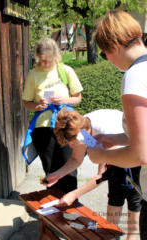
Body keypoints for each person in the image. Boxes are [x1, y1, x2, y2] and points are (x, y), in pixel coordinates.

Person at [85, 11, 147, 240]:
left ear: (115, 47)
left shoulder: (135, 76)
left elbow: (140, 154)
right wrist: (116, 138)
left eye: (104, 53)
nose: (107, 59)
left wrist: (101, 155)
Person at [43, 108, 142, 240]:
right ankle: (111, 235)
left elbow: (102, 175)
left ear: (82, 133)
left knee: (134, 200)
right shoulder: (79, 128)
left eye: (72, 143)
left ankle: (132, 237)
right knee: (115, 195)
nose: (71, 146)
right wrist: (57, 174)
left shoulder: (104, 131)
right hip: (115, 151)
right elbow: (76, 159)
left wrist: (74, 194)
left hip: (133, 155)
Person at [22, 37, 83, 194]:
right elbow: (26, 103)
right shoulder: (33, 74)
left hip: (65, 126)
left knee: (69, 167)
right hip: (42, 129)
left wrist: (63, 99)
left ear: (56, 55)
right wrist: (38, 105)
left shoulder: (66, 70)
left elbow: (78, 97)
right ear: (37, 57)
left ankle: (70, 205)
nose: (46, 64)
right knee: (49, 168)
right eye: (43, 60)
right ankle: (52, 210)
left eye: (49, 60)